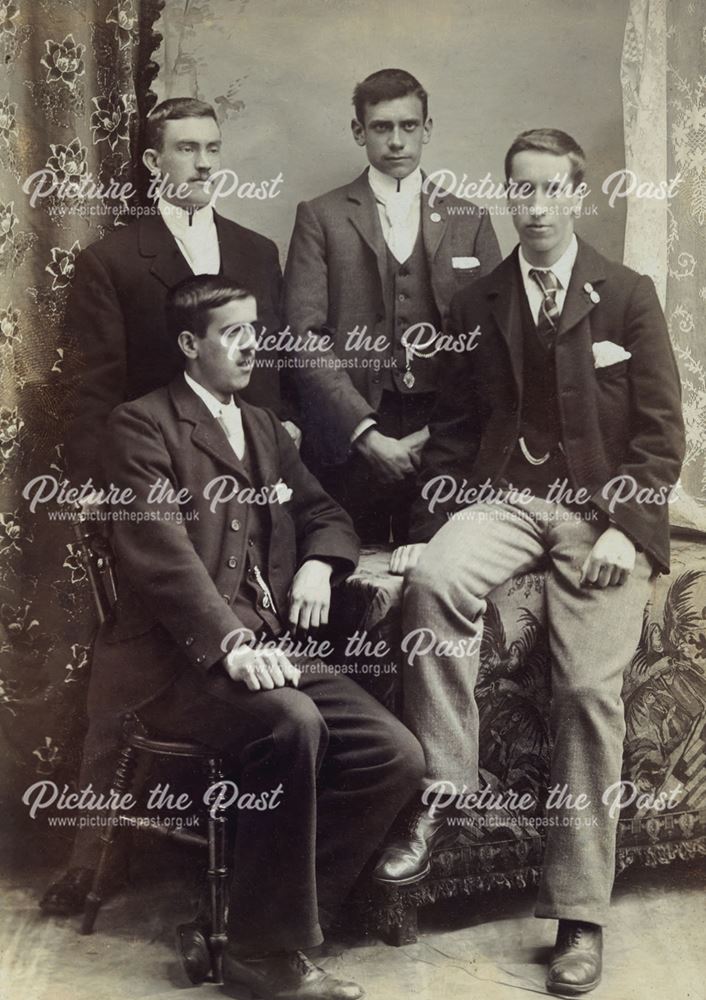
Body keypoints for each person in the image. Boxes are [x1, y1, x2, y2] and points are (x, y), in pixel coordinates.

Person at [44, 276, 424, 998]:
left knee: (393, 755)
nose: (253, 344)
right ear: (190, 344)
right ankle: (261, 956)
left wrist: (317, 563)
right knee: (292, 724)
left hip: (265, 648)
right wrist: (232, 644)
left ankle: (244, 919)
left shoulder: (260, 427)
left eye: (257, 329)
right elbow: (162, 558)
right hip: (173, 664)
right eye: (233, 332)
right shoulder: (141, 425)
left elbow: (326, 512)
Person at [374, 129, 685, 996]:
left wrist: (628, 523)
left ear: (579, 195)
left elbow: (662, 433)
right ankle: (443, 792)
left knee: (588, 689)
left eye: (551, 190)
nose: (535, 207)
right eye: (522, 191)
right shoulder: (480, 301)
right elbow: (458, 430)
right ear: (508, 196)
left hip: (599, 511)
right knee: (434, 582)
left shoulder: (626, 295)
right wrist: (435, 519)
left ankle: (580, 916)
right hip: (504, 499)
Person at [284, 68, 501, 543]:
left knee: (437, 567)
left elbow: (493, 342)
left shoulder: (471, 219)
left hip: (445, 430)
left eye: (408, 126)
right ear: (359, 131)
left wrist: (437, 433)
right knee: (342, 570)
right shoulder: (320, 216)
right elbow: (304, 337)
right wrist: (364, 433)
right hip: (352, 431)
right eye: (382, 127)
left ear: (427, 128)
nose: (397, 141)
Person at [65, 96, 297, 488]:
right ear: (154, 162)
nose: (204, 163)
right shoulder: (110, 262)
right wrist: (93, 489)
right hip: (163, 476)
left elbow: (278, 360)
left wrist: (288, 426)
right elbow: (95, 393)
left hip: (257, 469)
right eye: (187, 149)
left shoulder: (258, 252)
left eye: (213, 148)